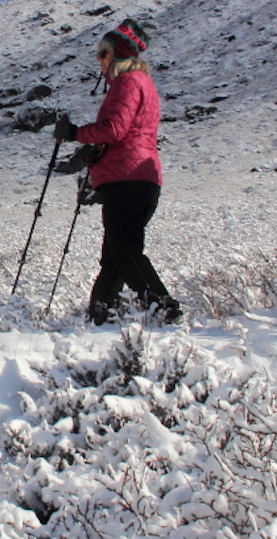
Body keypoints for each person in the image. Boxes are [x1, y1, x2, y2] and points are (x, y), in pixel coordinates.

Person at [52, 19, 182, 325]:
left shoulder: (128, 83)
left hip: (128, 178)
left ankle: (165, 310)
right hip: (137, 177)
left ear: (120, 55)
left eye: (104, 53)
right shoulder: (140, 84)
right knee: (115, 256)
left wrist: (74, 133)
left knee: (124, 253)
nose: (98, 59)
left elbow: (114, 128)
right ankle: (100, 318)